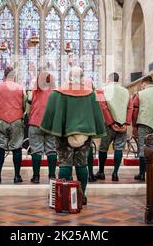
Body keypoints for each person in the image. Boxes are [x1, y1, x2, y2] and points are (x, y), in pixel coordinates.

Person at [40, 67, 106, 205]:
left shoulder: (57, 93)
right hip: (85, 135)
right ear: (82, 77)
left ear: (67, 76)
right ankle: (81, 196)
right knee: (82, 164)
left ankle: (64, 197)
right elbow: (97, 114)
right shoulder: (91, 94)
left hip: (64, 135)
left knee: (65, 163)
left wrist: (47, 128)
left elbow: (49, 113)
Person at [94, 73, 133, 182]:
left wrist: (111, 123)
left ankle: (101, 172)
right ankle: (115, 173)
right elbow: (130, 108)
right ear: (118, 79)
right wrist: (126, 123)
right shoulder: (126, 91)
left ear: (109, 79)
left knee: (103, 148)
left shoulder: (102, 90)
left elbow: (103, 107)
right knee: (119, 148)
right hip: (122, 126)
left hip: (108, 125)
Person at [0, 67, 26, 184]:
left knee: (0, 148)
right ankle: (17, 176)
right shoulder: (20, 88)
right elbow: (24, 105)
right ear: (14, 76)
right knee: (17, 148)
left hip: (1, 119)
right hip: (16, 120)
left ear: (4, 74)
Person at [132, 76, 153, 181]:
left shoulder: (140, 94)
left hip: (144, 124)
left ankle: (142, 174)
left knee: (143, 148)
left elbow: (135, 111)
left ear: (144, 83)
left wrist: (134, 126)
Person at [27, 71, 57, 184]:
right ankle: (52, 176)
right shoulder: (55, 93)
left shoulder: (33, 91)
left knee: (36, 151)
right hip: (51, 124)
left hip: (35, 123)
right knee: (51, 150)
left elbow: (28, 105)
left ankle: (36, 177)